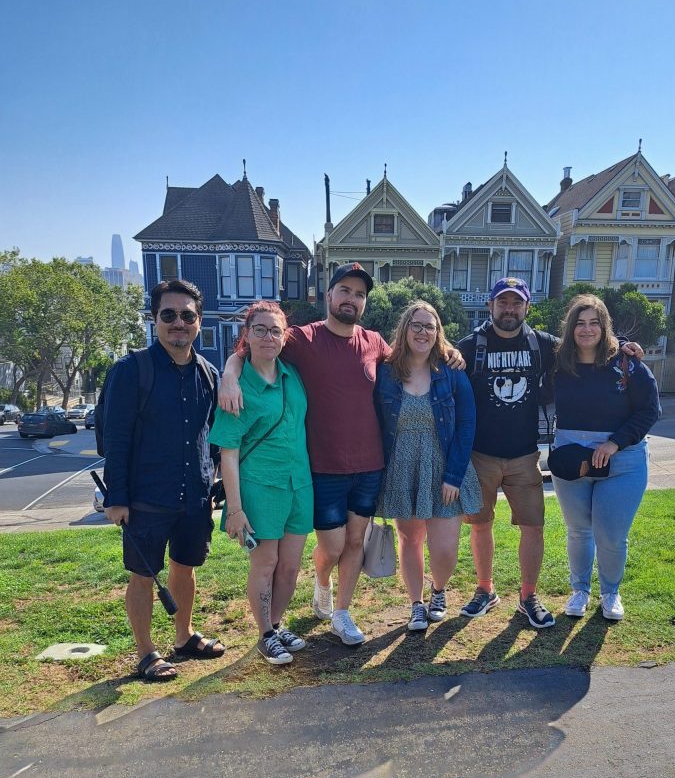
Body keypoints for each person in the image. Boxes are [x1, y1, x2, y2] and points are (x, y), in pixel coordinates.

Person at [218, 262, 466, 647]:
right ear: (328, 295)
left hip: (369, 466)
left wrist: (449, 352)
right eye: (345, 291)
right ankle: (322, 583)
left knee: (355, 543)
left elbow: (417, 351)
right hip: (321, 468)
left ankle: (343, 612)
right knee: (331, 546)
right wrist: (230, 373)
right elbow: (256, 345)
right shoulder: (303, 338)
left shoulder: (374, 343)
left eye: (359, 294)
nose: (352, 299)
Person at [456, 277, 644, 630]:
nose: (509, 309)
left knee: (533, 527)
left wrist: (625, 346)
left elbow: (588, 346)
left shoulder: (542, 345)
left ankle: (528, 596)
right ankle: (485, 590)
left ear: (527, 307)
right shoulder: (469, 346)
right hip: (479, 455)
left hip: (525, 455)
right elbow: (439, 363)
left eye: (516, 303)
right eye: (502, 302)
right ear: (490, 306)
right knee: (480, 525)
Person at [103, 279, 222, 682]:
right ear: (154, 319)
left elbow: (212, 435)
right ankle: (145, 651)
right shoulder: (131, 370)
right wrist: (116, 497)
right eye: (168, 315)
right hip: (145, 500)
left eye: (187, 316)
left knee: (185, 568)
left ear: (199, 322)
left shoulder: (209, 373)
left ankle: (184, 636)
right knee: (143, 575)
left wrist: (214, 483)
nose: (178, 323)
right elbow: (115, 439)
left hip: (194, 497)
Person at [209, 302, 312, 665]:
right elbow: (229, 453)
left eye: (275, 331)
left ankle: (277, 623)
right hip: (259, 488)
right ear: (247, 336)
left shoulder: (292, 375)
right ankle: (265, 633)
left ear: (285, 337)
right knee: (265, 564)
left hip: (300, 485)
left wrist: (229, 368)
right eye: (260, 330)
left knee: (291, 566)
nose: (269, 337)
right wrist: (234, 509)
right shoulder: (236, 390)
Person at [550, 294, 660, 620]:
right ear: (571, 328)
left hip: (622, 460)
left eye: (594, 323)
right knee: (578, 530)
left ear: (604, 326)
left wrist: (615, 442)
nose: (586, 330)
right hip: (573, 458)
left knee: (611, 535)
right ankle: (579, 590)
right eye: (580, 323)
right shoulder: (559, 363)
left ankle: (610, 592)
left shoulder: (627, 363)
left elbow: (650, 410)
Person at [374, 302, 481, 630]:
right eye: (416, 325)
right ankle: (416, 603)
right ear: (405, 329)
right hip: (402, 467)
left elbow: (467, 423)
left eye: (429, 326)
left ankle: (438, 590)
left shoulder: (451, 371)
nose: (423, 332)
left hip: (444, 467)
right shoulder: (386, 372)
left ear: (438, 333)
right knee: (410, 539)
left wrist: (454, 476)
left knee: (445, 547)